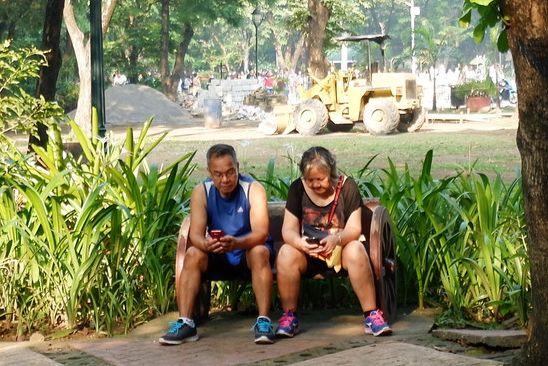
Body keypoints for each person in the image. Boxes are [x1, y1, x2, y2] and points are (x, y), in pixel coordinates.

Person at [159, 143, 275, 346]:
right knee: (194, 254)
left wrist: (237, 243)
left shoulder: (253, 189)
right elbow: (195, 234)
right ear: (209, 172)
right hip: (217, 253)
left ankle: (263, 321)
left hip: (246, 250)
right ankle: (186, 323)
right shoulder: (201, 192)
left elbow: (261, 234)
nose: (225, 180)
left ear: (238, 167)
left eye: (230, 172)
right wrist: (206, 244)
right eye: (218, 174)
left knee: (259, 252)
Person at [273, 146, 392, 338]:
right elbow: (288, 230)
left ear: (331, 173)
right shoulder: (297, 188)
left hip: (340, 251)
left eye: (320, 179)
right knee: (286, 251)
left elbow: (354, 229)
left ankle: (371, 315)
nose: (315, 184)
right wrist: (299, 243)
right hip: (308, 253)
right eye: (310, 180)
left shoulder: (347, 187)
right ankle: (289, 317)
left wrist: (336, 238)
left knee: (355, 249)